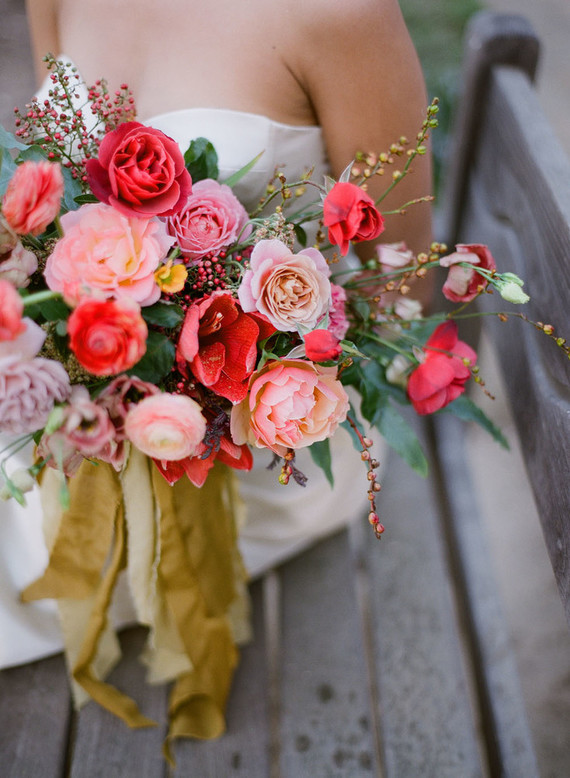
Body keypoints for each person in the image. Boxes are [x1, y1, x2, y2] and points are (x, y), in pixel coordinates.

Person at [1, 0, 432, 669]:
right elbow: (57, 184)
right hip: (73, 407)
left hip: (249, 463)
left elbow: (402, 286)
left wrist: (231, 362)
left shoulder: (344, 15)